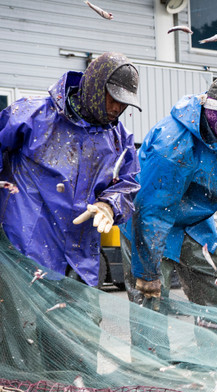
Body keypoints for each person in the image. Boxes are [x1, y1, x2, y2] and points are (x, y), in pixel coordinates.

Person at [120, 74, 217, 358]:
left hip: (195, 224)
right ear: (214, 112)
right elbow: (151, 210)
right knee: (153, 303)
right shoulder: (173, 145)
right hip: (151, 224)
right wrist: (147, 270)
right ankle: (152, 383)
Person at [0, 51, 141, 286]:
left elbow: (128, 183)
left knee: (83, 321)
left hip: (81, 260)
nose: (118, 108)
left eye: (124, 102)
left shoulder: (119, 139)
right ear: (95, 87)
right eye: (113, 98)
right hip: (24, 250)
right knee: (21, 322)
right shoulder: (32, 115)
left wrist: (109, 204)